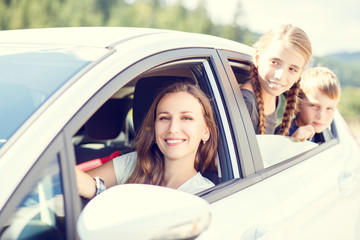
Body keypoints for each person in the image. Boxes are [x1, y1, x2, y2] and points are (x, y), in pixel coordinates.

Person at [75, 82, 219, 199]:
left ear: (205, 132)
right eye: (164, 118)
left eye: (186, 118)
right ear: (154, 127)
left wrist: (98, 191)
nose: (173, 128)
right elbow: (76, 183)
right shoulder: (134, 162)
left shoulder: (205, 195)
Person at [240, 24, 312, 135]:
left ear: (299, 74)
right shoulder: (246, 101)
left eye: (292, 69)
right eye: (274, 62)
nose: (280, 76)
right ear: (258, 58)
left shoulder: (274, 97)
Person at [275, 67, 341, 142]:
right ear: (297, 105)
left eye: (329, 108)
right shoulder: (284, 134)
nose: (321, 116)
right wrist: (294, 140)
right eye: (314, 106)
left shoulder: (317, 131)